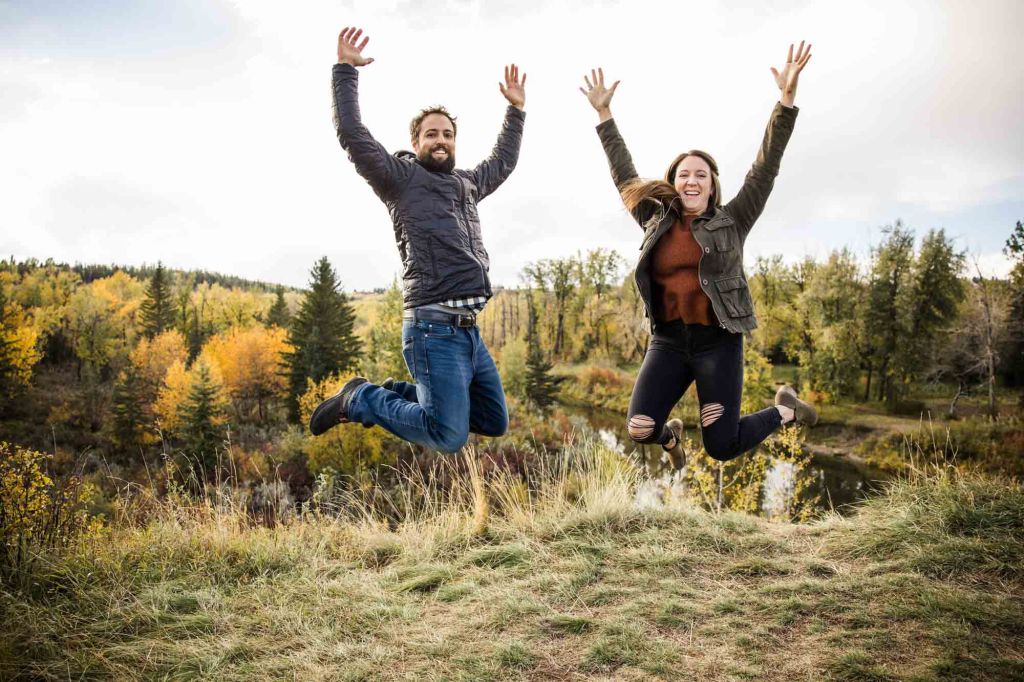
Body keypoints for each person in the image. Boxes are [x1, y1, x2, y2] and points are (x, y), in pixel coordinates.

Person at [579, 42, 817, 470]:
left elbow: (765, 168)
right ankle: (671, 437)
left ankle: (785, 411)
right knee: (639, 428)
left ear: (711, 185)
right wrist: (604, 115)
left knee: (722, 446)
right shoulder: (654, 219)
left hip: (717, 343)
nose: (691, 180)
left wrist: (785, 102)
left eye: (700, 175)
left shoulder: (733, 220)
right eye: (683, 174)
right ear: (673, 182)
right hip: (668, 341)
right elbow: (623, 174)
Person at [309, 26, 526, 452]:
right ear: (416, 141)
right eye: (431, 134)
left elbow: (502, 162)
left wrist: (515, 111)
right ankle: (361, 399)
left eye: (447, 134)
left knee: (492, 420)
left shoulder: (466, 183)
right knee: (448, 435)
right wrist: (345, 71)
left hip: (468, 332)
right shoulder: (400, 179)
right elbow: (352, 134)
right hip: (432, 327)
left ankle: (396, 393)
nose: (441, 140)